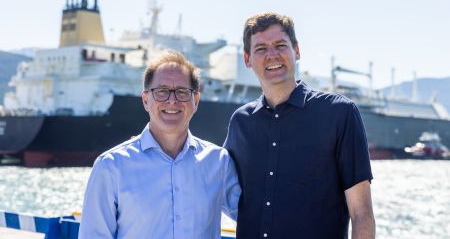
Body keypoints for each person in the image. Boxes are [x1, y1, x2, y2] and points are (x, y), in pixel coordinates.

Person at [224, 12, 375, 238]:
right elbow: (213, 183)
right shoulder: (240, 122)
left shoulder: (339, 113)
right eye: (261, 49)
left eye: (280, 45)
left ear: (296, 50)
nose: (272, 55)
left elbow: (361, 212)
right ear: (247, 59)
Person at [79, 50, 241, 238]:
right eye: (161, 91)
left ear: (195, 101)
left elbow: (257, 216)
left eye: (182, 92)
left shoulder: (219, 162)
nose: (172, 100)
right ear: (146, 100)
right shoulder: (111, 166)